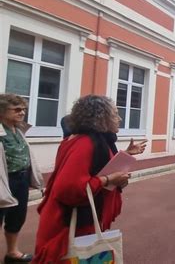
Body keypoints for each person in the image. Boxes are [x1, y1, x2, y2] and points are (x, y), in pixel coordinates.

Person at [33, 95, 130, 263]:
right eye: (115, 114)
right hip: (71, 221)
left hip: (80, 218)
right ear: (101, 117)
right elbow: (69, 189)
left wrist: (117, 178)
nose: (120, 119)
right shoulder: (86, 143)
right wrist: (108, 179)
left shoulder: (91, 139)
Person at [0, 94, 43, 263]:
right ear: (2, 111)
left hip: (21, 179)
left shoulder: (18, 130)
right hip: (4, 179)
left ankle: (12, 252)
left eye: (23, 109)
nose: (22, 112)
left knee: (17, 217)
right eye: (17, 109)